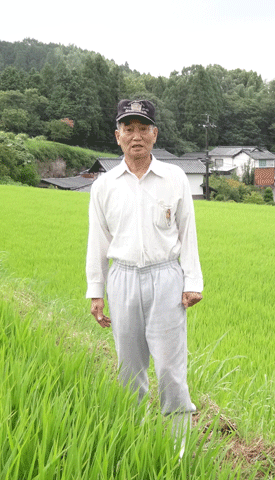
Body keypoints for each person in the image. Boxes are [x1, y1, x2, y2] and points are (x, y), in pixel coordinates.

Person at [86, 99, 203, 454]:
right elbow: (98, 240)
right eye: (128, 129)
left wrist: (192, 281)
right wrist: (96, 291)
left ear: (154, 134)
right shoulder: (104, 185)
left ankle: (178, 451)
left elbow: (188, 231)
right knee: (129, 369)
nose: (136, 136)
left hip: (166, 279)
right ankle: (133, 443)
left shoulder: (174, 178)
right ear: (118, 136)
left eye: (143, 128)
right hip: (121, 279)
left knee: (170, 369)